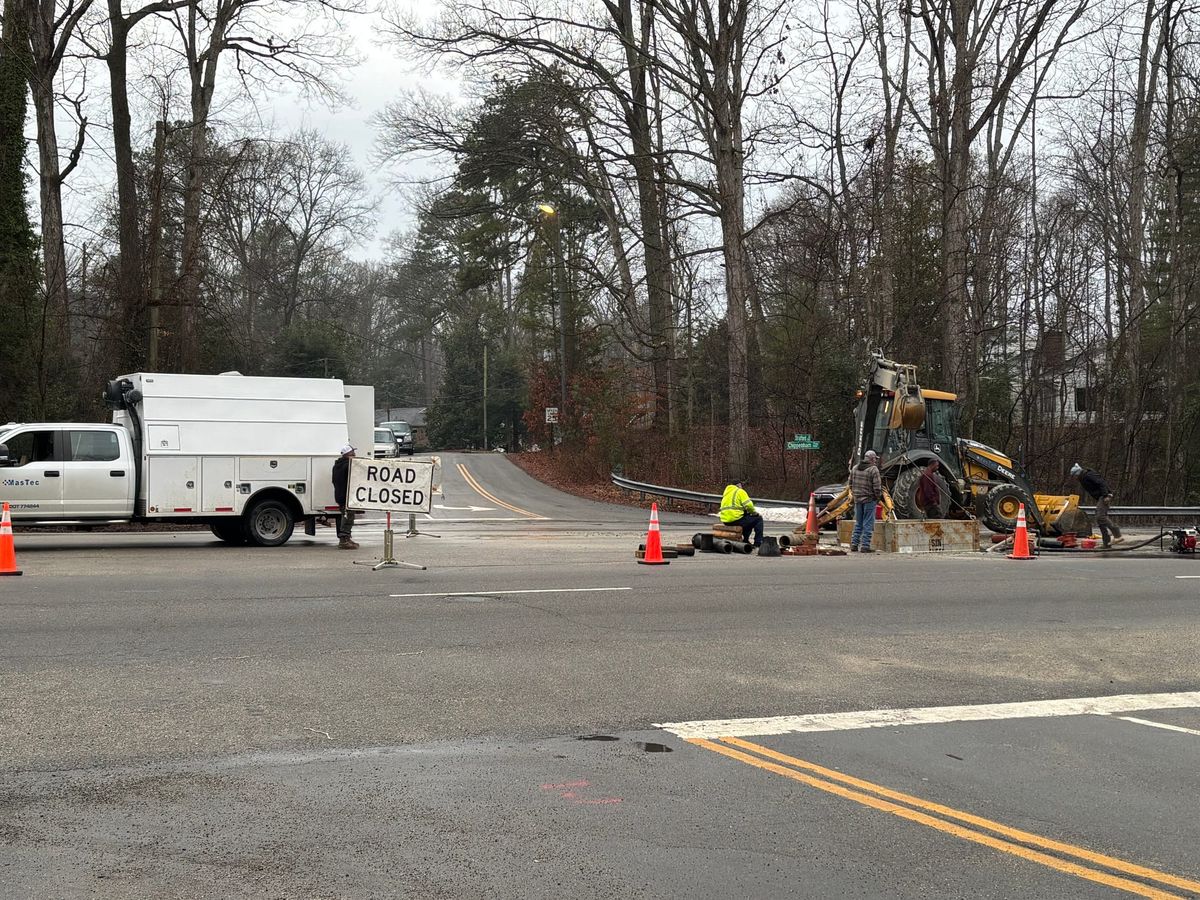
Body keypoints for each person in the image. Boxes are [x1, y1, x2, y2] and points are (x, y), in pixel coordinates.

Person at [1071, 462, 1123, 548]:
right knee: (1100, 521)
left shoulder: (1088, 475)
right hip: (1101, 496)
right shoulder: (1083, 477)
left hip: (1104, 496)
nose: (1074, 478)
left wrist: (1106, 495)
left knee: (1100, 517)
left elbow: (1101, 483)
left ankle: (1117, 535)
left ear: (1077, 473)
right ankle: (1106, 543)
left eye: (1074, 476)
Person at [849, 450, 883, 552]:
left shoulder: (855, 468)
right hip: (869, 500)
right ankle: (865, 546)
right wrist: (877, 498)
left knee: (858, 522)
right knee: (868, 523)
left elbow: (850, 484)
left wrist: (855, 494)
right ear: (872, 459)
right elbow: (877, 487)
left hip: (857, 500)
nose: (876, 461)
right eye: (875, 459)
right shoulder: (873, 470)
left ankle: (854, 544)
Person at [719, 476, 764, 548]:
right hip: (735, 519)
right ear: (738, 485)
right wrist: (754, 513)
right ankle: (758, 542)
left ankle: (746, 540)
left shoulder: (726, 493)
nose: (742, 486)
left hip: (726, 521)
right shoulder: (740, 491)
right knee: (758, 519)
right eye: (741, 485)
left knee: (747, 518)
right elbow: (749, 505)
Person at [332, 444, 359, 550]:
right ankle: (343, 540)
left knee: (347, 515)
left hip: (340, 495)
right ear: (349, 454)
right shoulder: (347, 465)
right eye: (353, 452)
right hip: (345, 495)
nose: (355, 454)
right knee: (348, 516)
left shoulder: (338, 465)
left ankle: (347, 538)